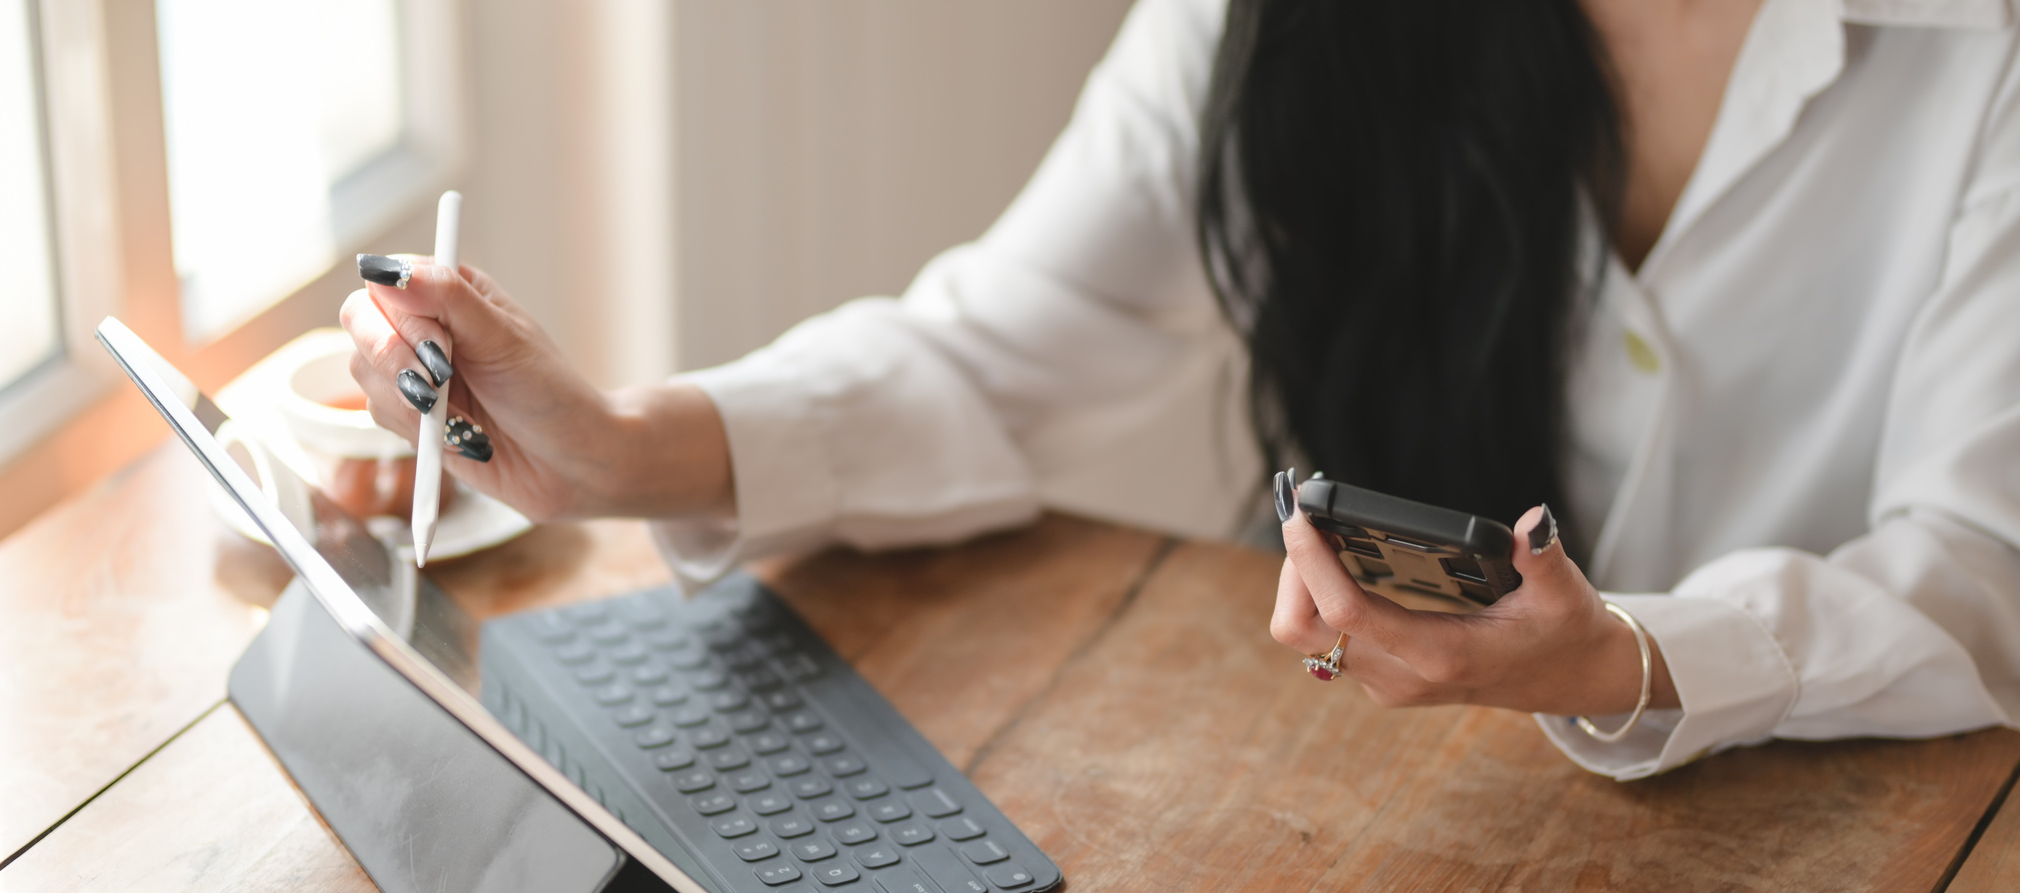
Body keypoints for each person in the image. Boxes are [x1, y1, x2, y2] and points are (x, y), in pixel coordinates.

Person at [341, 0, 2020, 780]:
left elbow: (1978, 563)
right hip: (1413, 834)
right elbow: (999, 346)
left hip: (1896, 845)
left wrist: (1638, 656)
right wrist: (619, 444)